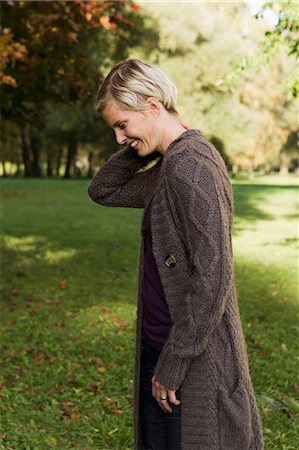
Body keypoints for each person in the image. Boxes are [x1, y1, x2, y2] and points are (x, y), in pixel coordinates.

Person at [88, 59, 264, 450]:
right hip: (162, 345)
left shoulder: (191, 166)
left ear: (152, 106)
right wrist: (145, 143)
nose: (119, 139)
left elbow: (213, 277)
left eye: (122, 125)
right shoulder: (170, 165)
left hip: (188, 357)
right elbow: (104, 190)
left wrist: (173, 362)